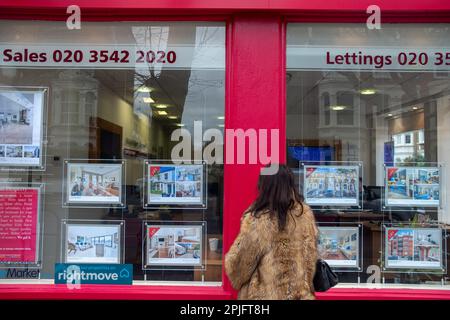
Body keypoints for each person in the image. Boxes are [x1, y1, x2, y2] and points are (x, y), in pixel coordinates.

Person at [225, 164, 318, 300]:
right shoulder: (305, 215)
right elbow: (310, 260)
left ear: (265, 186)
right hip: (300, 296)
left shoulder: (258, 220)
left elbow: (239, 268)